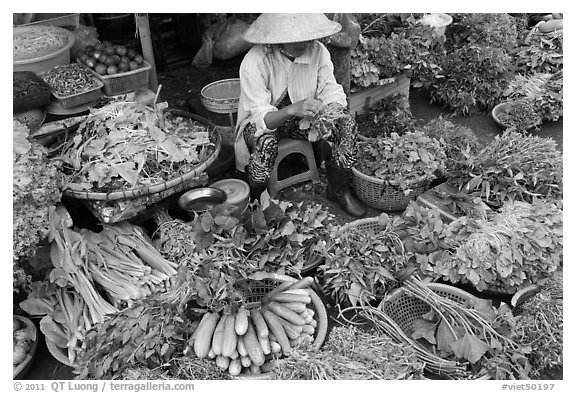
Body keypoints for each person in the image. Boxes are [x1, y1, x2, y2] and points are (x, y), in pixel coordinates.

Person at [234, 13, 367, 218]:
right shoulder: (255, 62)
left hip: (302, 120)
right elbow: (262, 119)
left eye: (308, 36)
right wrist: (291, 109)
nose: (304, 42)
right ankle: (259, 202)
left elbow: (331, 90)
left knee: (345, 123)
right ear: (277, 36)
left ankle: (338, 189)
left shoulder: (318, 51)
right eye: (295, 37)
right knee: (266, 145)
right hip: (260, 124)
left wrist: (330, 111)